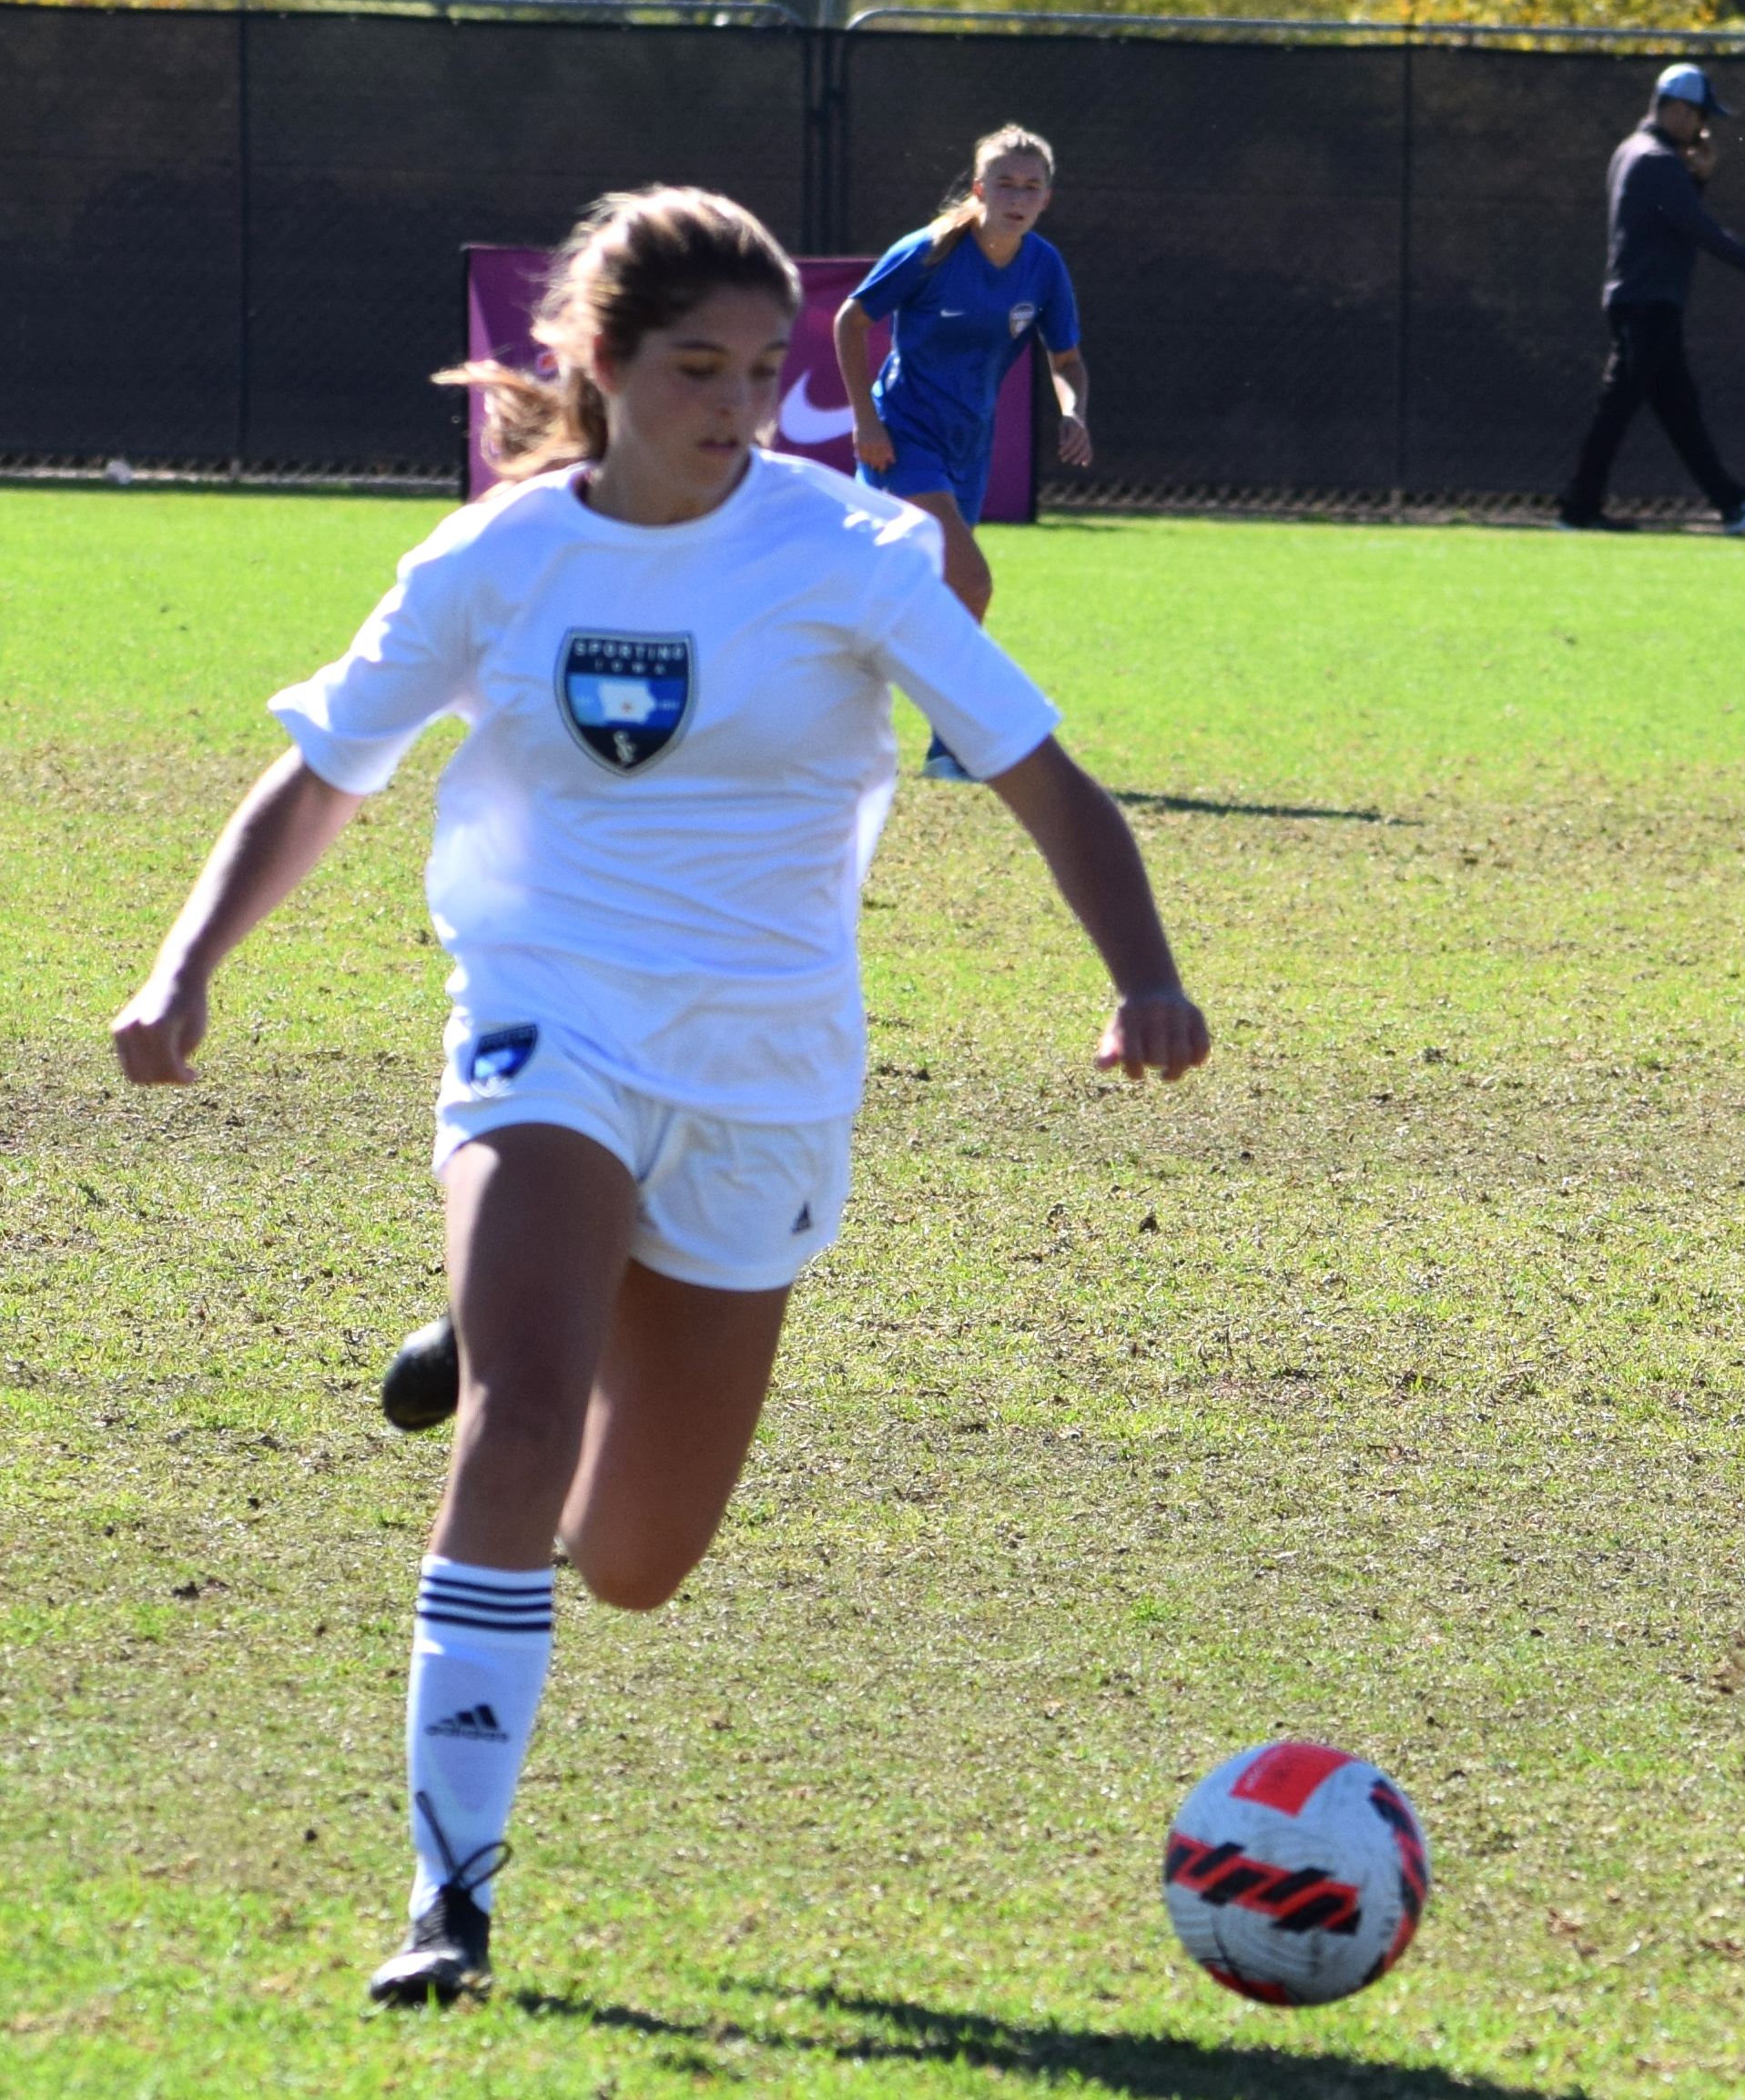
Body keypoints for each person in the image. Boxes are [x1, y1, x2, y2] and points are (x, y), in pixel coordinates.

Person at [109, 188, 1212, 2005]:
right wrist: (186, 963)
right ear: (603, 366)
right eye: (698, 366)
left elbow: (1045, 779)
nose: (737, 401)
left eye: (765, 369)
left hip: (766, 1065)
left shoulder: (857, 554)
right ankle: (446, 1894)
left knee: (630, 1559)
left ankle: (510, 1315)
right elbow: (321, 776)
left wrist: (1144, 975)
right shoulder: (496, 558)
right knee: (526, 1416)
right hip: (547, 1017)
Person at [836, 123, 1091, 774]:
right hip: (904, 435)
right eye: (1004, 182)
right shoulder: (929, 251)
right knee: (969, 579)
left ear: (1046, 199)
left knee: (931, 593)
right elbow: (850, 320)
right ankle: (952, 746)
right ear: (979, 190)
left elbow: (1065, 358)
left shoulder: (1044, 266)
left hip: (967, 444)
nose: (1017, 194)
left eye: (1031, 186)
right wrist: (866, 421)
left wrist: (1072, 410)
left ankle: (852, 714)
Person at [1557, 61, 1745, 534]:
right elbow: (1699, 229)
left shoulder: (1632, 151)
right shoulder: (1657, 160)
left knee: (1677, 409)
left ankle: (1732, 503)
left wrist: (1698, 179)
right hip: (1648, 303)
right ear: (1680, 111)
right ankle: (1577, 509)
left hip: (1639, 300)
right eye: (1701, 116)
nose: (1703, 128)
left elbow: (1674, 217)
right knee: (1620, 407)